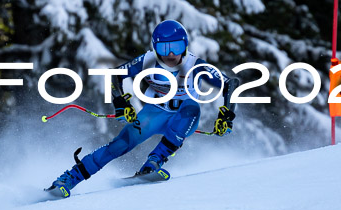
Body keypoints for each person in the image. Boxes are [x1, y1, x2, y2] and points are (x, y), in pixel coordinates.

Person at [46, 20, 238, 198]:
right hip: (154, 115)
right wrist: (121, 103)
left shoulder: (195, 65)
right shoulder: (147, 61)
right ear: (155, 48)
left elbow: (231, 83)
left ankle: (153, 163)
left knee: (190, 108)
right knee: (119, 145)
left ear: (185, 46)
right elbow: (116, 75)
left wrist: (226, 117)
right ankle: (68, 179)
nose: (170, 54)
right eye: (164, 48)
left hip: (182, 119)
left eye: (176, 47)